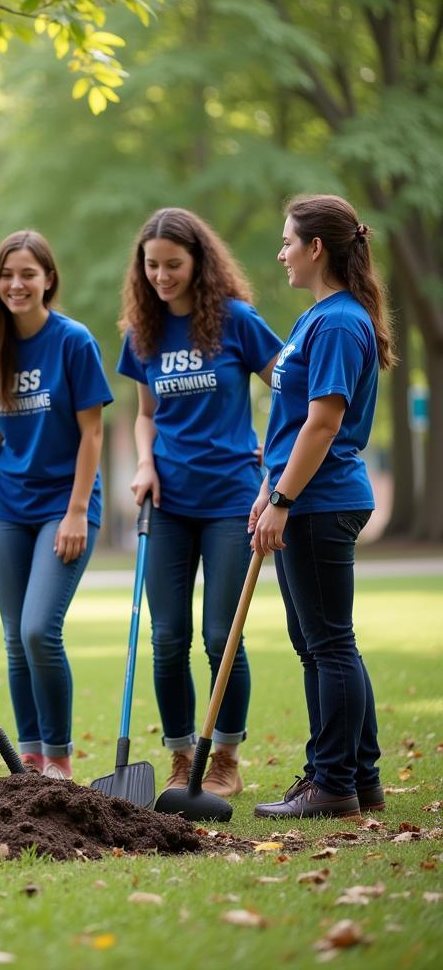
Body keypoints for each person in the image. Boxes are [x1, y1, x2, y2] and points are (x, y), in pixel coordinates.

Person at [115, 208, 283, 797]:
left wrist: (275, 457)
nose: (161, 275)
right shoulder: (143, 332)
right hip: (168, 503)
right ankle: (182, 758)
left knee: (221, 635)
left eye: (173, 265)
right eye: (151, 265)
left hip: (233, 500)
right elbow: (144, 415)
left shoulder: (237, 322)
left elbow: (289, 386)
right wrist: (144, 461)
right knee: (167, 638)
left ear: (198, 262)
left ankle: (226, 758)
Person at [252, 195, 394, 818]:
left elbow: (323, 422)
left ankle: (331, 782)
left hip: (319, 499)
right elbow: (289, 422)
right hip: (303, 496)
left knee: (327, 645)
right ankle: (358, 778)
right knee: (326, 644)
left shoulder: (338, 322)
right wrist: (268, 487)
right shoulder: (318, 318)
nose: (280, 253)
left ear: (316, 248)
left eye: (288, 242)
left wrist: (283, 497)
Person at [0, 230, 112, 780]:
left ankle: (60, 761)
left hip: (64, 507)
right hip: (9, 510)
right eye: (6, 275)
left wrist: (76, 511)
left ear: (48, 278)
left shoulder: (73, 341)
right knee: (13, 638)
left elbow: (92, 434)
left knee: (38, 629)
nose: (16, 284)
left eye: (27, 274)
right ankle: (30, 758)